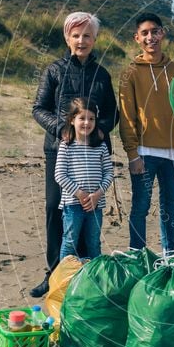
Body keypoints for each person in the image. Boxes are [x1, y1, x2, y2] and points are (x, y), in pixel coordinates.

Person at [31, 12, 119, 297]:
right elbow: (39, 108)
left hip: (94, 155)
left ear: (95, 39)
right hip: (60, 150)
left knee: (89, 211)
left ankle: (85, 272)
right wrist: (64, 129)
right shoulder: (54, 70)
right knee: (56, 209)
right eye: (76, 35)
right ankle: (55, 273)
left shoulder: (102, 74)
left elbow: (112, 113)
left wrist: (100, 131)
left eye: (87, 36)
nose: (82, 40)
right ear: (67, 38)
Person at [118, 13, 174, 255]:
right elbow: (127, 117)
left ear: (162, 34)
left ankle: (169, 255)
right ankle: (136, 255)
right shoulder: (130, 73)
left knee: (169, 207)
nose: (151, 37)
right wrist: (132, 153)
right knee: (140, 206)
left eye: (155, 31)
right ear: (137, 38)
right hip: (144, 153)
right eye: (145, 33)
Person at [55, 97, 114, 261]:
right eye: (82, 118)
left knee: (94, 243)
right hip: (73, 205)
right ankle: (65, 282)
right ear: (72, 120)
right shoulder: (66, 146)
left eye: (91, 119)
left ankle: (95, 281)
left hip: (96, 205)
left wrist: (98, 194)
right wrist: (80, 194)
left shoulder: (100, 145)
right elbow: (60, 174)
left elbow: (109, 172)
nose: (87, 123)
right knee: (69, 243)